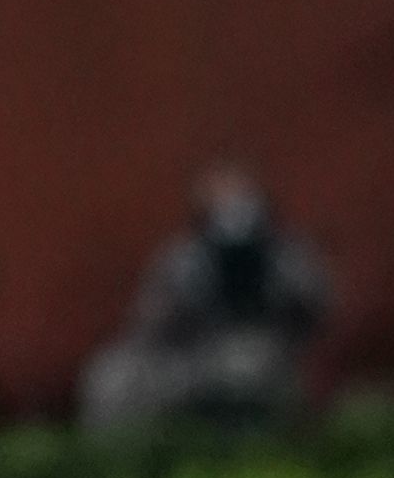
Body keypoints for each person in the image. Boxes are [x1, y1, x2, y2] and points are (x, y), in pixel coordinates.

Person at [76, 159, 334, 434]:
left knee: (244, 367)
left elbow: (317, 307)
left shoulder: (286, 255)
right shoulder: (183, 258)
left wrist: (272, 287)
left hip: (263, 350)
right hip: (192, 356)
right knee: (113, 374)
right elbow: (150, 323)